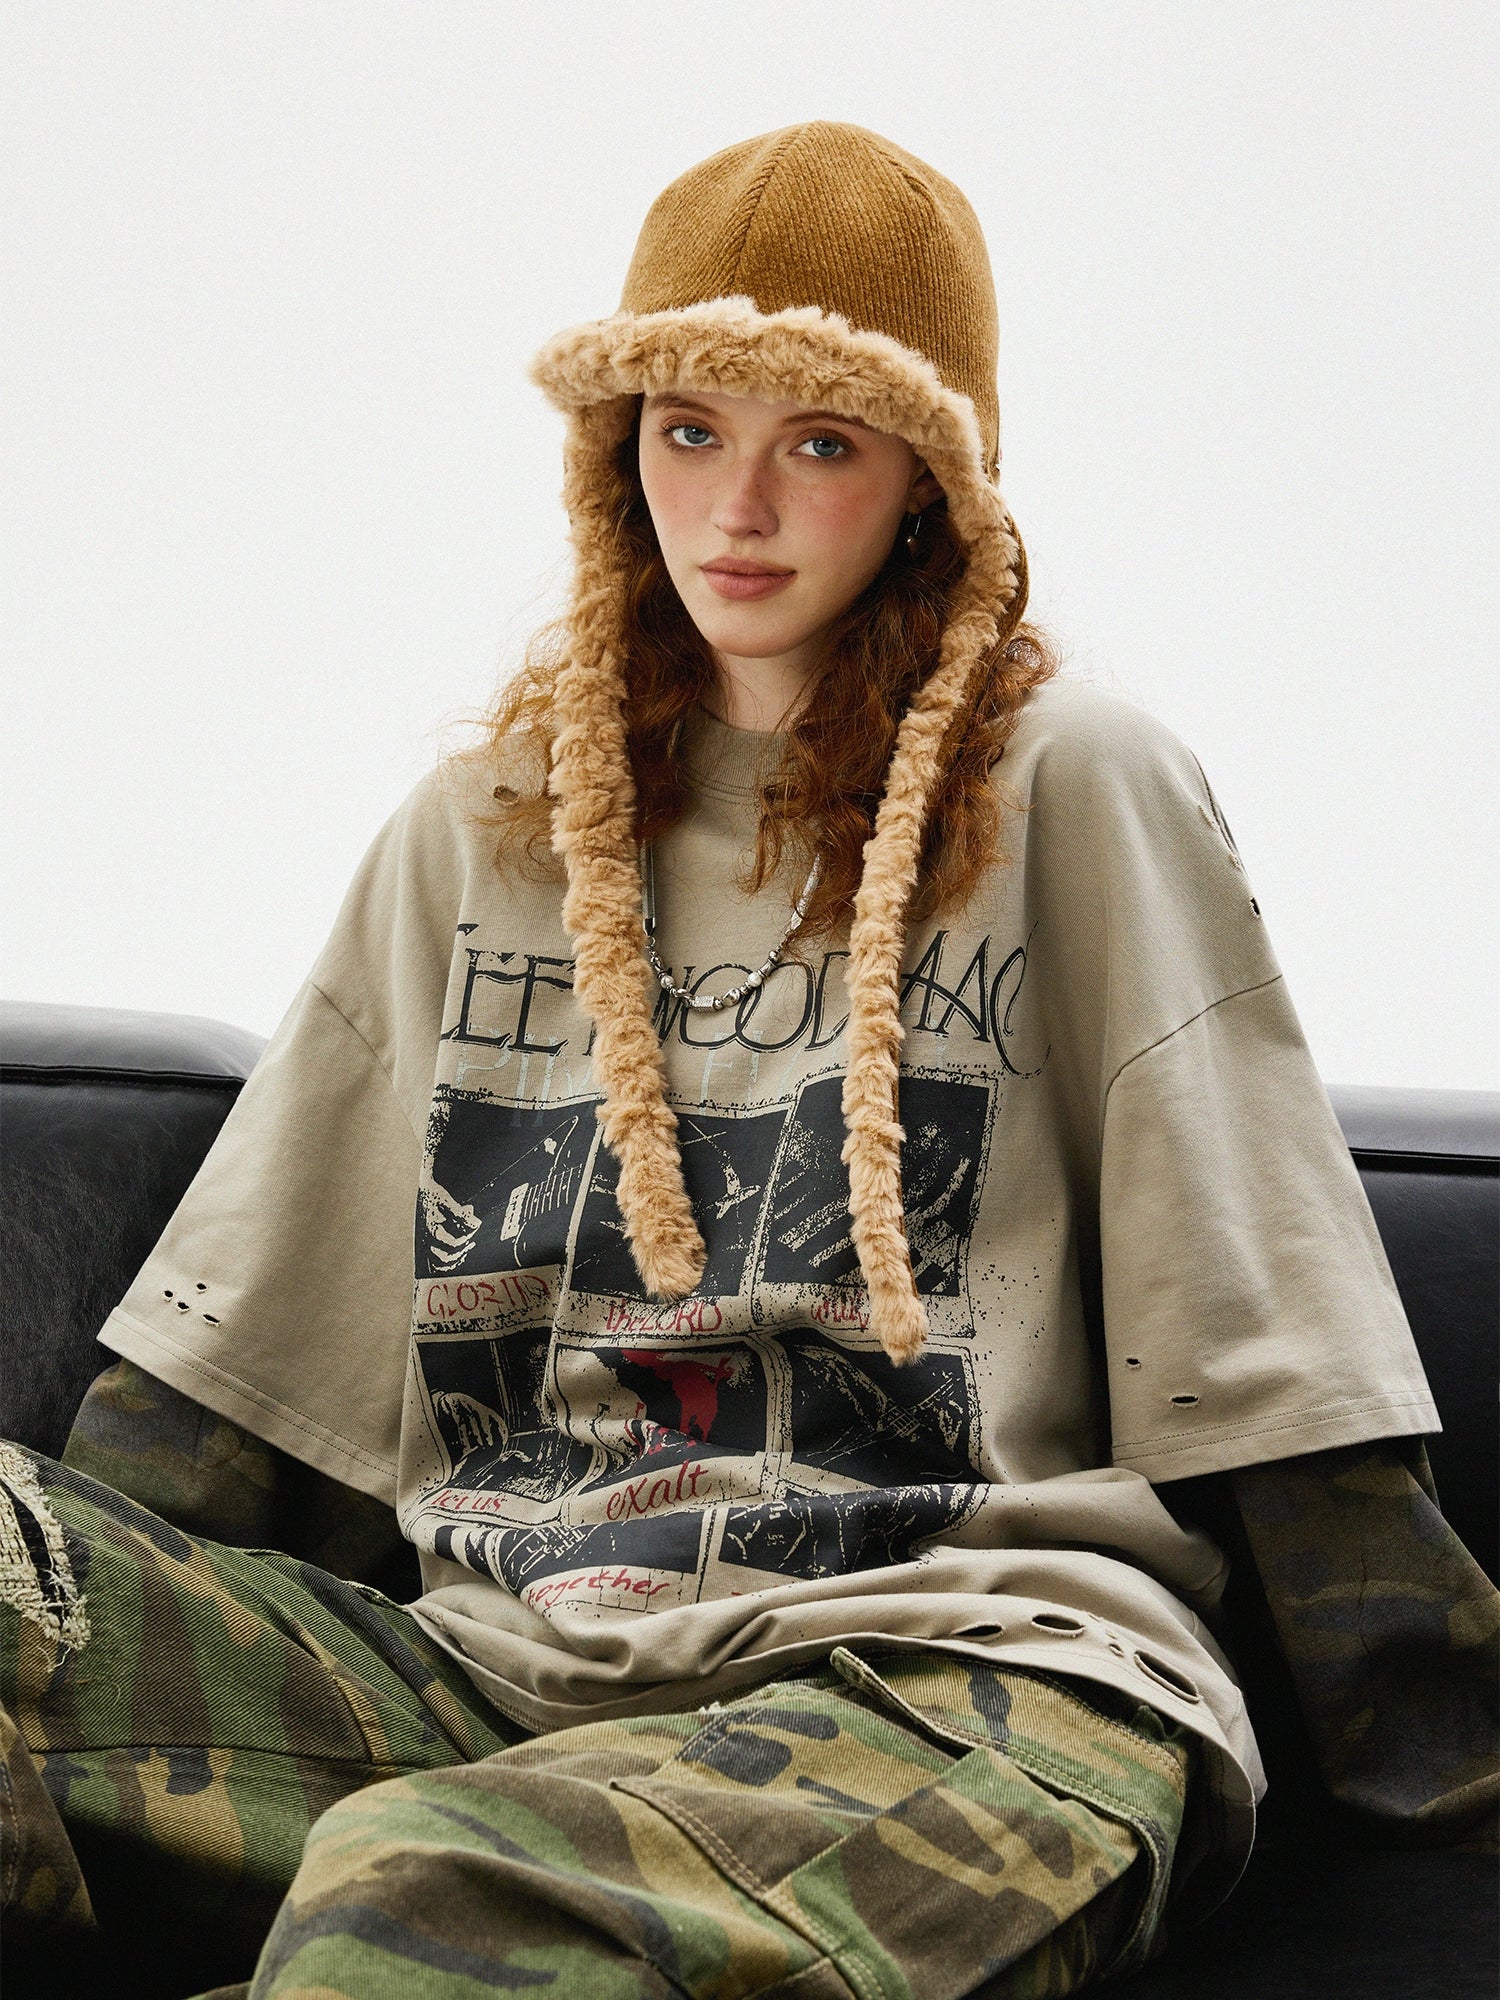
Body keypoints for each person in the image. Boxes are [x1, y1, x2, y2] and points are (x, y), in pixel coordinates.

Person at [2, 121, 1494, 2000]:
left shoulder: (1079, 790)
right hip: (498, 1678)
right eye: (691, 429)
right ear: (615, 451)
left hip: (962, 1679)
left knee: (435, 1902)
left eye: (825, 443)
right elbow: (229, 1370)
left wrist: (1447, 1776)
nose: (740, 510)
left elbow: (1267, 1331)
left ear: (933, 478)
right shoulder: (485, 826)